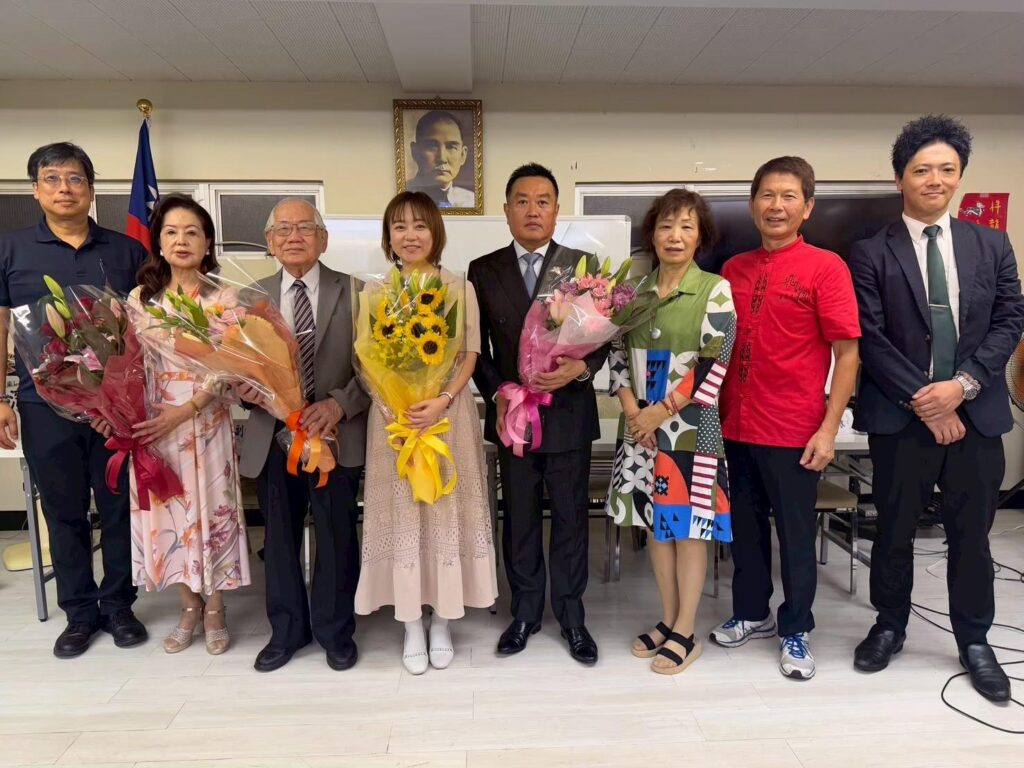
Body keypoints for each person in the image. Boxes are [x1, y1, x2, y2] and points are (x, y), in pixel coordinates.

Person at [849, 115, 1024, 702]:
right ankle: (889, 625)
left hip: (977, 416)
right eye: (922, 169)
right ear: (899, 178)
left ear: (960, 177)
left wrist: (963, 386)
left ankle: (975, 640)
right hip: (902, 418)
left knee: (971, 535)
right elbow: (870, 337)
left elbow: (1010, 319)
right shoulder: (869, 252)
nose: (935, 180)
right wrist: (928, 401)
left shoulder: (991, 244)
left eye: (947, 169)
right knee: (894, 529)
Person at [710, 156, 861, 681]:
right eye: (767, 196)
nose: (776, 206)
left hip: (794, 429)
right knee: (744, 529)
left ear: (808, 207)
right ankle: (752, 612)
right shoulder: (733, 270)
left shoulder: (826, 267)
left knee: (796, 537)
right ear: (753, 205)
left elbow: (847, 354)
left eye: (788, 196)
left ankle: (795, 626)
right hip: (734, 425)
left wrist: (829, 428)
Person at [0, 142, 148, 658]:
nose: (64, 188)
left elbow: (144, 331)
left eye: (75, 178)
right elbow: (2, 327)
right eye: (52, 178)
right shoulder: (11, 249)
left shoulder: (126, 251)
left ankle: (120, 606)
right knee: (63, 510)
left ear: (91, 188)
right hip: (43, 406)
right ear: (35, 189)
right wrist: (1, 398)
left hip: (115, 407)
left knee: (118, 506)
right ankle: (80, 614)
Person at [355, 191, 498, 674]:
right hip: (392, 421)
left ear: (435, 232)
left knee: (444, 508)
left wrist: (442, 399)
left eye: (419, 225)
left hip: (446, 417)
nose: (410, 235)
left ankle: (443, 619)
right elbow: (365, 359)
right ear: (388, 236)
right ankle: (411, 622)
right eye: (399, 226)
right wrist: (392, 404)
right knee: (402, 512)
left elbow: (470, 354)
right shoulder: (374, 291)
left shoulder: (459, 287)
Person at [469, 162, 606, 665]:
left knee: (571, 518)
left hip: (568, 413)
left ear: (556, 210)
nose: (533, 210)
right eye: (522, 201)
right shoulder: (483, 270)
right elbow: (476, 348)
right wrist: (498, 392)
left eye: (542, 201)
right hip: (514, 418)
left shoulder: (582, 266)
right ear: (506, 211)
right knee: (520, 517)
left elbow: (603, 338)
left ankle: (572, 617)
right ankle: (524, 612)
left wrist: (580, 369)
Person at [237, 197, 370, 673]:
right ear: (270, 241)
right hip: (272, 435)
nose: (294, 236)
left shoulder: (358, 292)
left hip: (336, 433)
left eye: (305, 227)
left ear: (323, 239)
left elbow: (373, 367)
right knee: (278, 537)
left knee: (337, 535)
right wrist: (247, 390)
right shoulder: (246, 297)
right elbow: (236, 369)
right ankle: (286, 631)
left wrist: (339, 404)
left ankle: (336, 631)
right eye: (284, 229)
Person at [607, 189, 735, 675]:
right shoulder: (634, 293)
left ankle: (686, 629)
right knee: (655, 527)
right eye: (665, 226)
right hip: (640, 428)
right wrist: (633, 412)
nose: (674, 236)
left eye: (686, 226)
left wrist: (659, 412)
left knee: (689, 529)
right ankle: (666, 618)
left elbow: (713, 364)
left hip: (690, 429)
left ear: (700, 236)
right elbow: (616, 356)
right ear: (652, 234)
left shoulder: (714, 289)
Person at [126, 194, 250, 654]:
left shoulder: (224, 299)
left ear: (207, 243)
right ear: (159, 242)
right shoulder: (140, 300)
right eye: (172, 231)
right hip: (155, 422)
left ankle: (215, 607)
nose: (181, 240)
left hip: (206, 417)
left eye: (192, 232)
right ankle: (188, 605)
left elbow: (231, 364)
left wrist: (191, 406)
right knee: (169, 512)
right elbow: (129, 363)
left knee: (211, 510)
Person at [407, 110, 475, 209]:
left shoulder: (470, 202)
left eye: (451, 147)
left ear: (463, 155)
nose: (442, 158)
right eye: (432, 146)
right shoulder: (402, 196)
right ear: (415, 151)